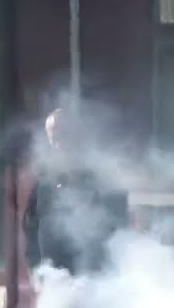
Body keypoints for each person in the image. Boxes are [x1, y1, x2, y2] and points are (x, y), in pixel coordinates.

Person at [21, 107, 128, 279]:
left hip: (94, 282)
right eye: (53, 138)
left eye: (62, 136)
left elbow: (118, 229)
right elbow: (31, 228)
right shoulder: (45, 183)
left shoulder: (103, 178)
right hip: (55, 281)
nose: (58, 144)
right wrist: (37, 267)